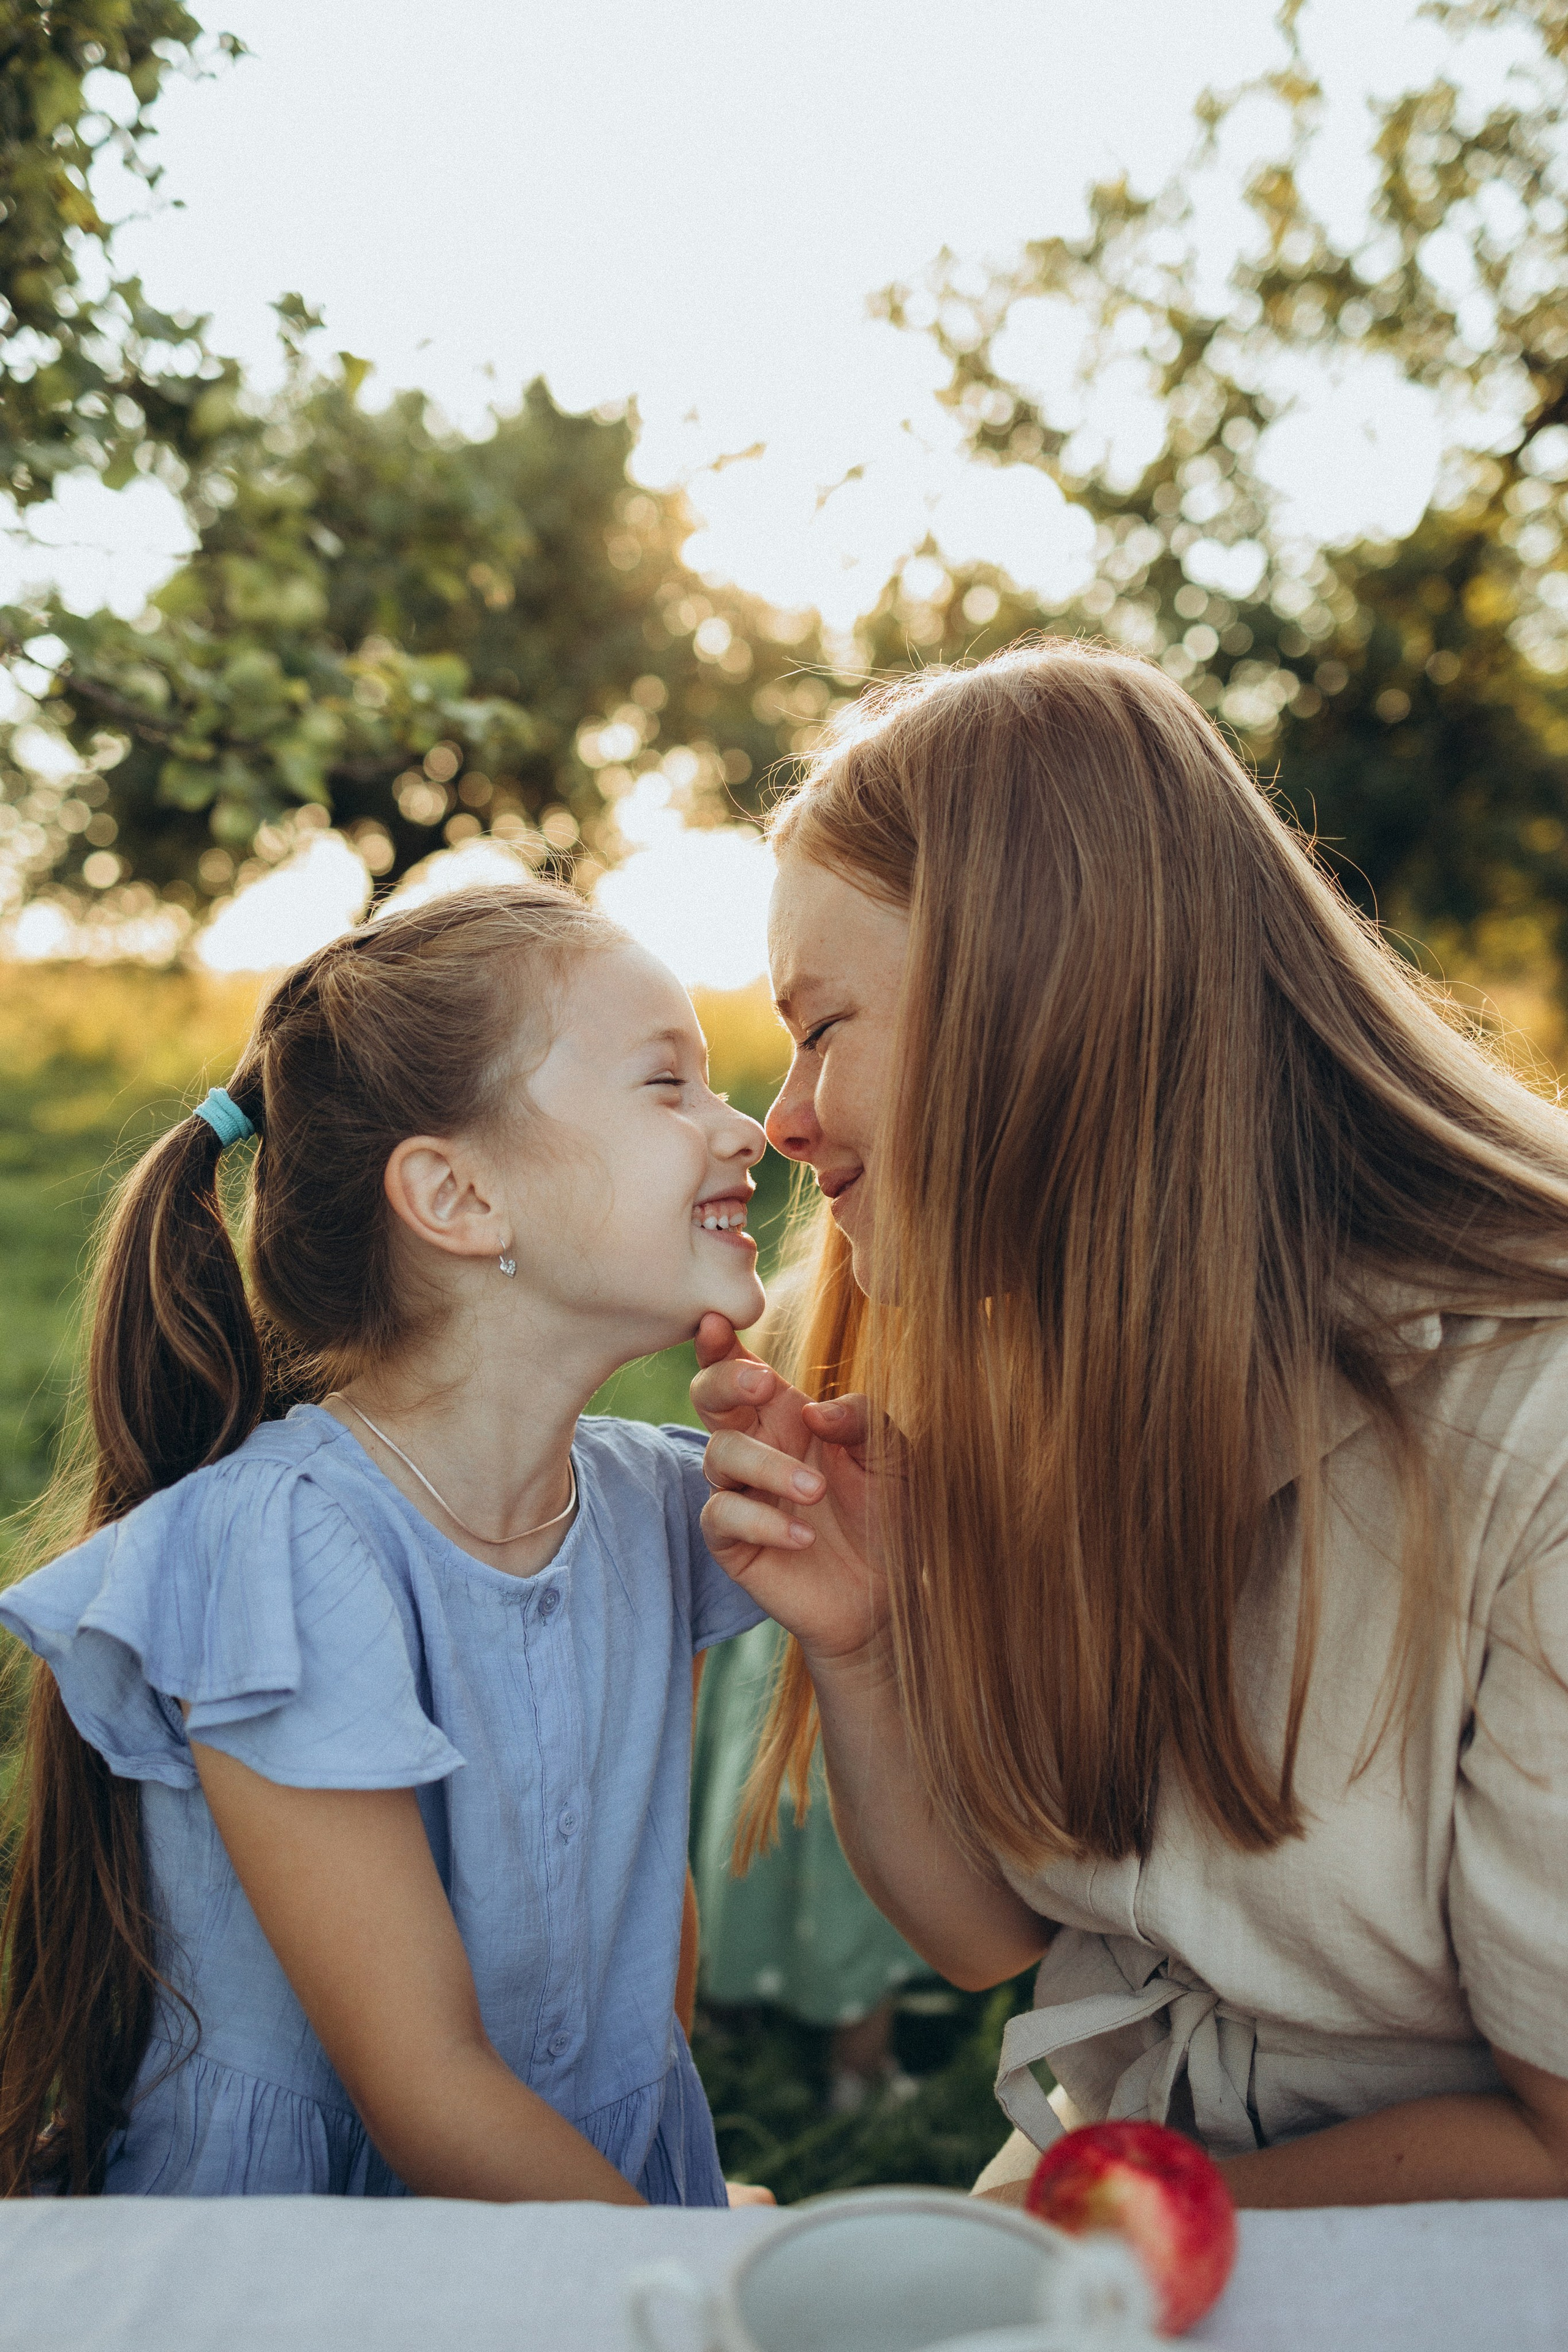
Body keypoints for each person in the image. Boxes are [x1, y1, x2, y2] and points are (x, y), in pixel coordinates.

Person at [690, 641, 1568, 2208]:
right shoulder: (1022, 1348)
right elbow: (993, 1939)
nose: (785, 1116)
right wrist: (868, 1645)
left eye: (822, 1025)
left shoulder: (1536, 1434)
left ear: (1036, 996)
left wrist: (1064, 2232)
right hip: (1102, 2220)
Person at [0, 880, 775, 2204]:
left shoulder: (656, 1511)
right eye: (668, 1086)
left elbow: (647, 1941)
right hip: (319, 2262)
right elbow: (422, 2091)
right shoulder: (288, 1552)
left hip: (568, 2207)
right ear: (458, 1195)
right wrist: (683, 2283)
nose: (745, 1128)